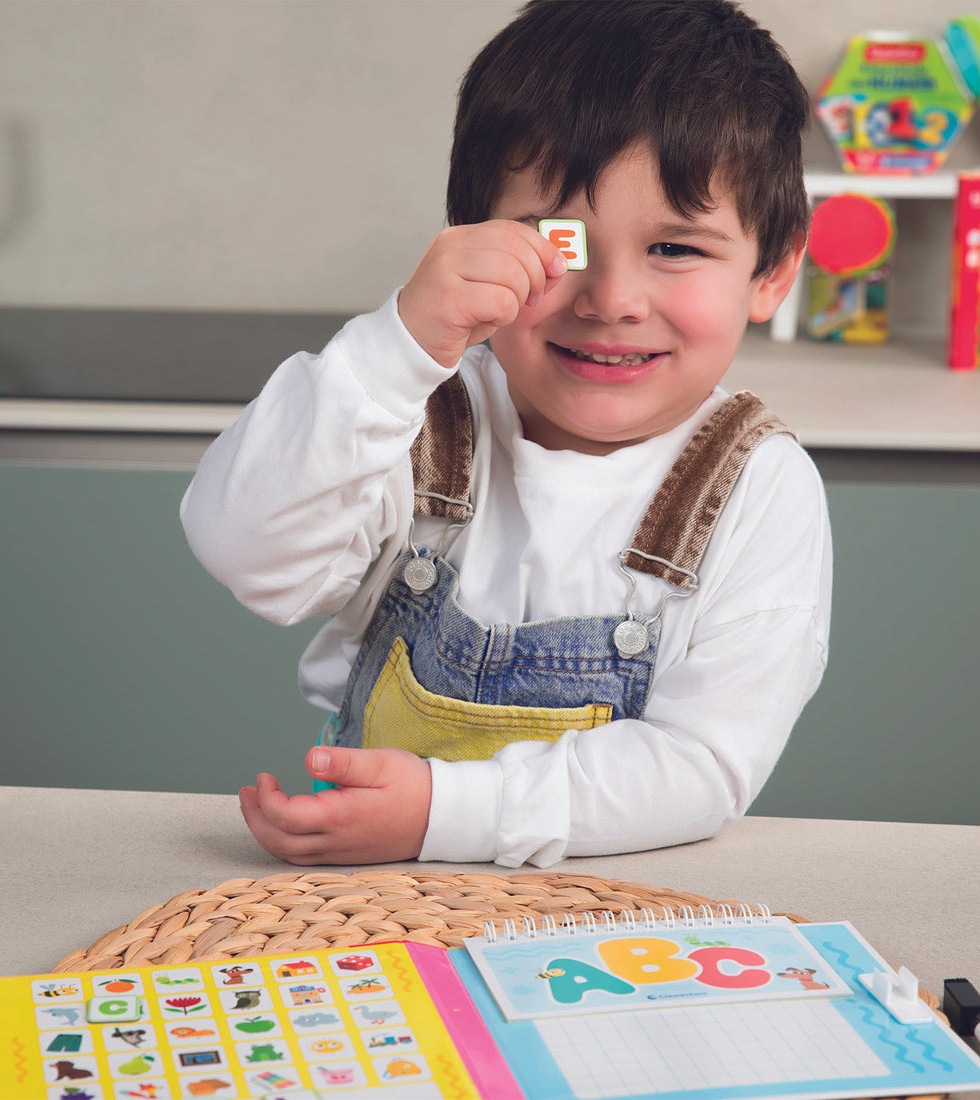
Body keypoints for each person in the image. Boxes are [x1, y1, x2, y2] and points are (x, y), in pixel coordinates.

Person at [180, 0, 832, 869]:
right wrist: (395, 348)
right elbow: (247, 553)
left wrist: (444, 813)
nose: (612, 300)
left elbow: (699, 766)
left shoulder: (761, 489)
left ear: (772, 271)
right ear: (470, 240)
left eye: (676, 249)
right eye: (558, 242)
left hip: (606, 912)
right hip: (372, 903)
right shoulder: (412, 414)